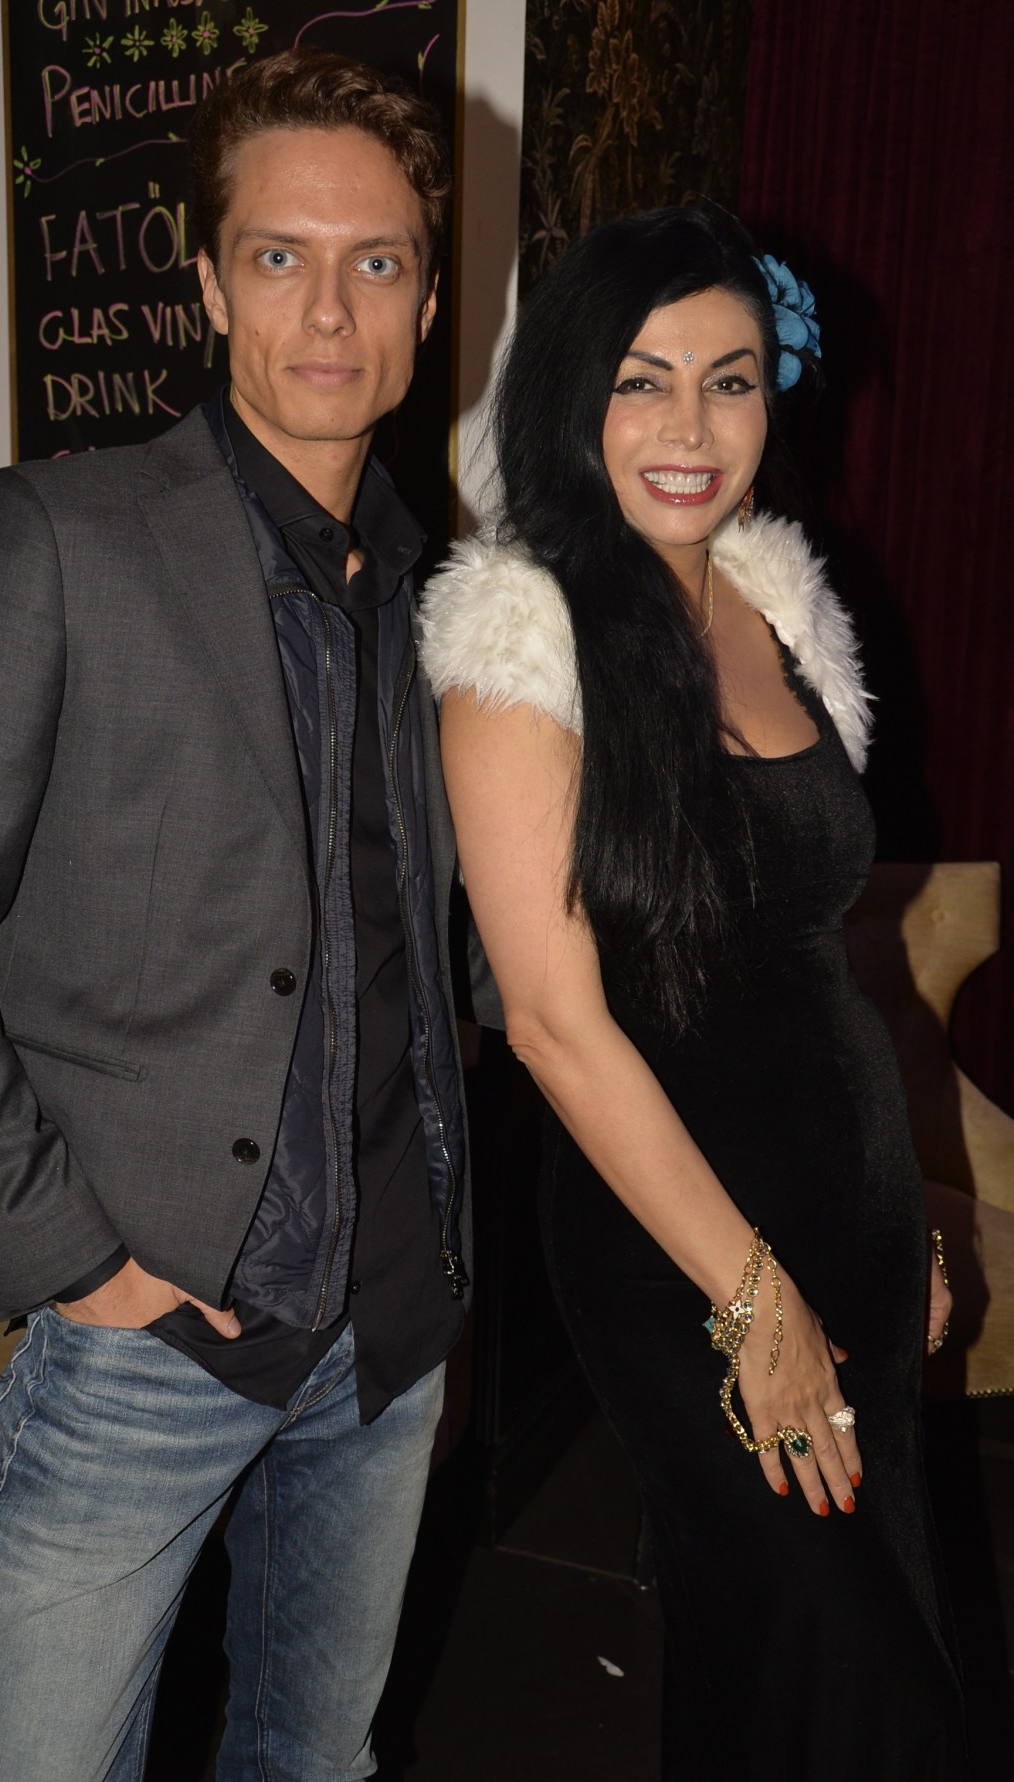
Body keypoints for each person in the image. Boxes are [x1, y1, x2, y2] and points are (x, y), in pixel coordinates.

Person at [0, 49, 471, 1782]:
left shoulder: (438, 599)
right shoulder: (47, 537)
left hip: (390, 1326)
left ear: (426, 301)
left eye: (377, 261)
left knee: (315, 1758)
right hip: (148, 1322)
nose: (328, 308)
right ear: (207, 284)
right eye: (279, 256)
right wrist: (78, 1262)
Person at [419, 208, 968, 1778]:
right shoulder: (523, 638)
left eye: (730, 380)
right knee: (836, 1656)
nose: (691, 427)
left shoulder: (774, 596)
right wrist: (756, 1298)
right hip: (690, 1256)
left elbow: (819, 958)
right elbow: (553, 1023)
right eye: (643, 380)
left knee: (830, 1655)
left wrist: (905, 1207)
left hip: (849, 1216)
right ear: (571, 394)